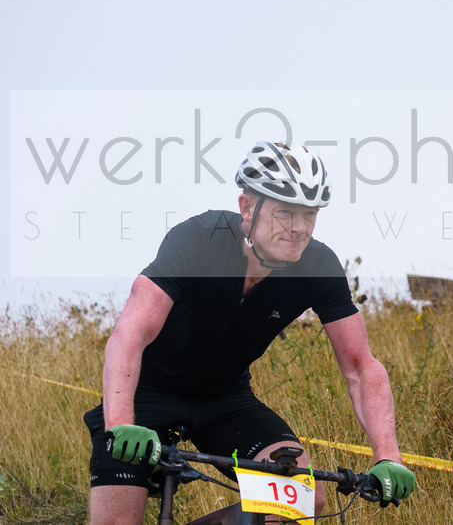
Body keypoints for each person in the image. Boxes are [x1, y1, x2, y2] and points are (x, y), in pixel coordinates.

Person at [84, 141, 415, 524]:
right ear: (247, 207)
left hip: (225, 399)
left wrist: (388, 456)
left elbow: (361, 367)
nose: (298, 228)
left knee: (303, 499)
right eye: (285, 212)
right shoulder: (199, 239)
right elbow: (130, 333)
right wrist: (121, 422)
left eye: (309, 214)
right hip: (147, 392)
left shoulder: (319, 266)